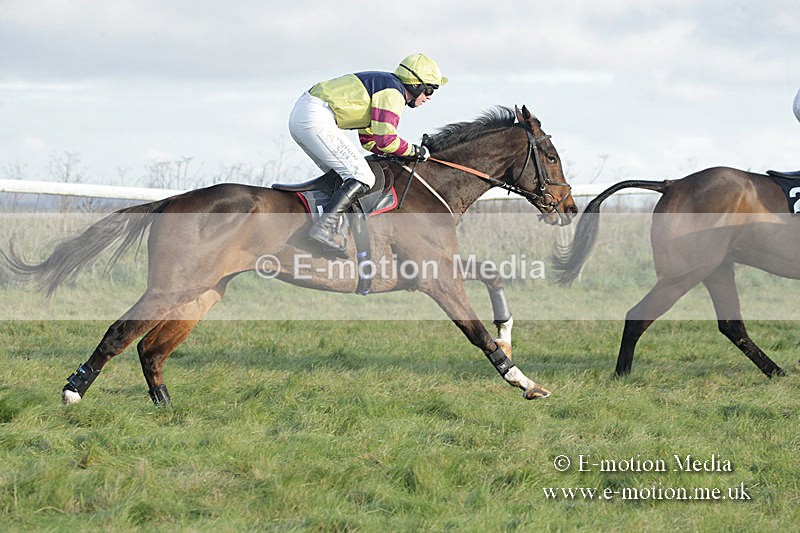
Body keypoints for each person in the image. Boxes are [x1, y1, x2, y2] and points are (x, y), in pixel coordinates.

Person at [289, 53, 447, 252]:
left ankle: (331, 226)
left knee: (343, 177)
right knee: (363, 176)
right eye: (429, 89)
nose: (429, 97)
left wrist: (395, 152)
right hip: (316, 117)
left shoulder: (384, 86)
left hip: (305, 115)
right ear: (415, 85)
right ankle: (323, 228)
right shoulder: (393, 92)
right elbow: (386, 140)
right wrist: (415, 151)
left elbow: (370, 140)